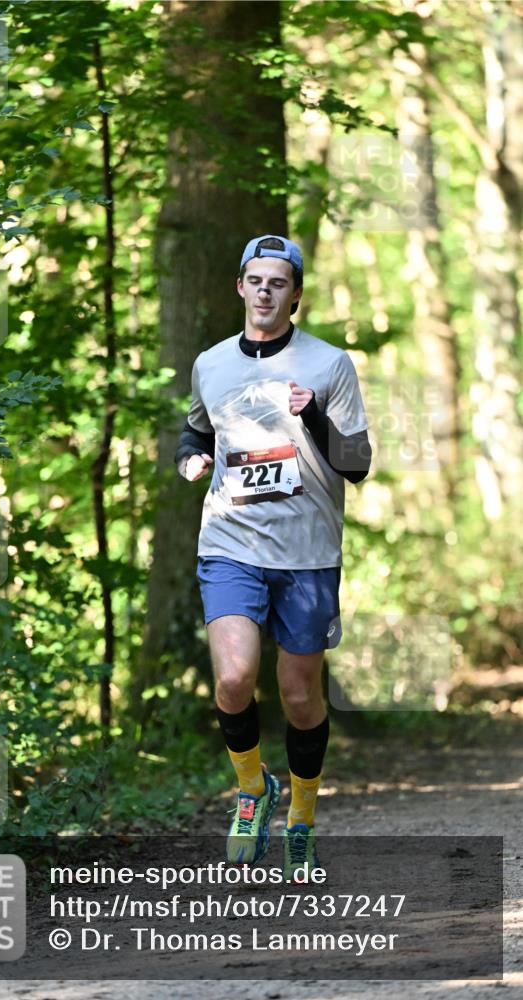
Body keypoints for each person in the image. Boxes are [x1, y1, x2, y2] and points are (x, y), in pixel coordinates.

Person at [175, 235, 371, 881]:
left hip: (308, 551)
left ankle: (302, 819)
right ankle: (252, 789)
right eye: (254, 280)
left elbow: (357, 464)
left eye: (277, 282)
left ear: (294, 294)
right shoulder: (210, 363)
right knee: (232, 679)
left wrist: (313, 415)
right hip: (230, 539)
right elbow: (195, 428)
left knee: (298, 694)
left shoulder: (328, 363)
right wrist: (190, 458)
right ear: (239, 287)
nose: (264, 291)